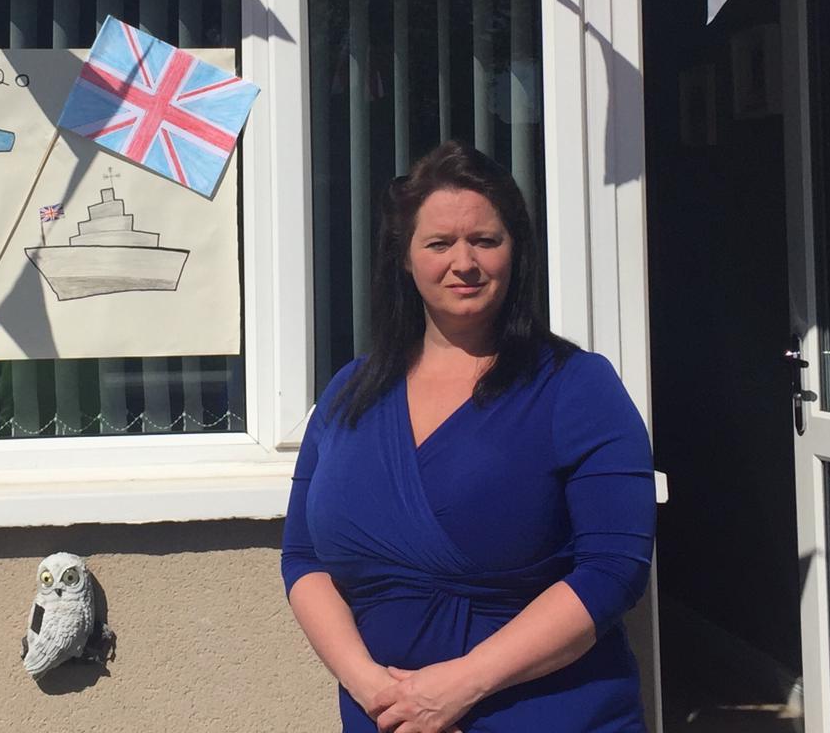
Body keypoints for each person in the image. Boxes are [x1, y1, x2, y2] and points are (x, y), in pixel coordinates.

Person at [281, 140, 655, 732]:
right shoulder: (349, 392)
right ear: (405, 258)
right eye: (439, 243)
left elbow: (612, 570)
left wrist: (457, 687)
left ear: (515, 251)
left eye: (485, 240)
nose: (464, 262)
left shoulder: (578, 387)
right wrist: (378, 693)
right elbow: (303, 559)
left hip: (547, 716)